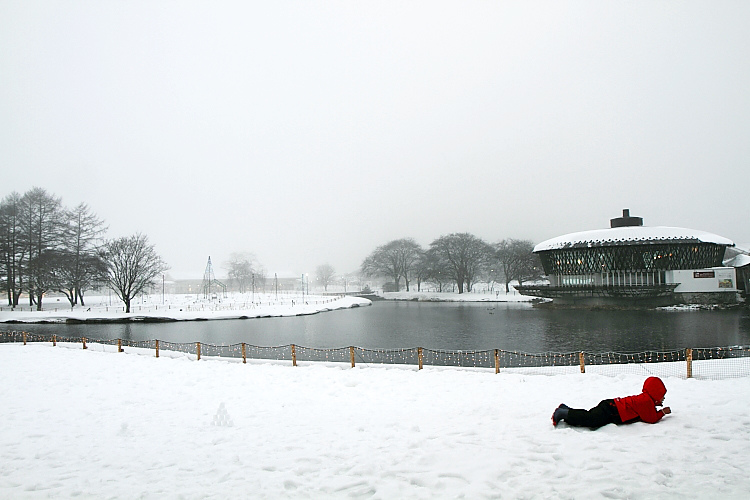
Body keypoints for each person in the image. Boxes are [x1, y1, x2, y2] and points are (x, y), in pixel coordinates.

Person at [552, 376, 671, 429]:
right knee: (591, 420)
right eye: (662, 397)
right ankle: (563, 413)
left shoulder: (645, 399)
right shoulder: (646, 401)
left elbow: (646, 412)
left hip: (611, 406)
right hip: (612, 410)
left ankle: (566, 409)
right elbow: (651, 418)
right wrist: (662, 412)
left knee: (590, 416)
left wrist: (655, 405)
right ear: (655, 394)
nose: (663, 399)